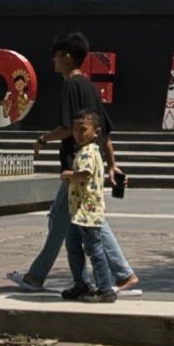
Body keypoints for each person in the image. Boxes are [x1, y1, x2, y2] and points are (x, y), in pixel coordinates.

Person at [7, 30, 140, 295]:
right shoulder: (90, 87)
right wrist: (112, 164)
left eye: (56, 56)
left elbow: (68, 127)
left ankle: (38, 277)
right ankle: (117, 275)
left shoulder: (71, 86)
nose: (53, 61)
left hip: (76, 168)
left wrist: (42, 139)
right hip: (90, 164)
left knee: (64, 219)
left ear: (67, 56)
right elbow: (105, 132)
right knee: (82, 219)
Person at [60, 109, 118, 302]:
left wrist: (68, 174)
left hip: (87, 212)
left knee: (94, 250)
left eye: (83, 129)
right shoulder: (88, 151)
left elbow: (84, 175)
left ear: (96, 132)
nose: (78, 133)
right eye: (75, 129)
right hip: (78, 211)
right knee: (73, 245)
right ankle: (81, 283)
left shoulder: (88, 152)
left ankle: (105, 289)